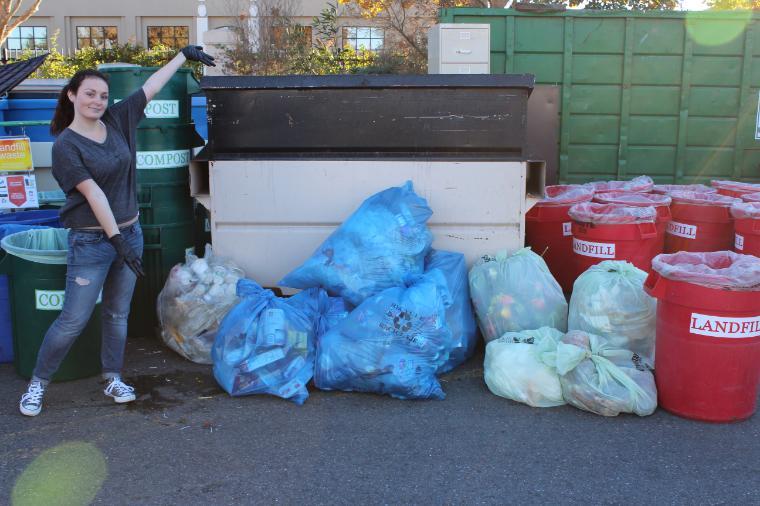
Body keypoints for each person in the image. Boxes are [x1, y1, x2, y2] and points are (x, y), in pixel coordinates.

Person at [19, 46, 215, 417]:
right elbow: (92, 192)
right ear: (72, 95)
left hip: (130, 234)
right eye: (89, 93)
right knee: (73, 319)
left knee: (116, 314)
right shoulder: (66, 146)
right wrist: (115, 239)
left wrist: (181, 56)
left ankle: (113, 377)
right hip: (92, 241)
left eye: (103, 95)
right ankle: (37, 384)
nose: (97, 101)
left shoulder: (118, 120)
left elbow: (152, 87)